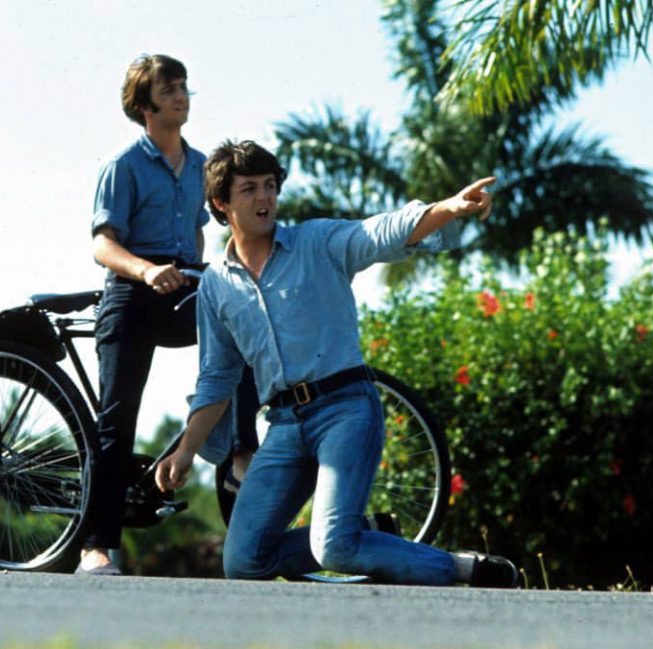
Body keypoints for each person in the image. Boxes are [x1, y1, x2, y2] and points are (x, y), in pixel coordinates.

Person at [156, 140, 518, 587]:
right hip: (284, 427)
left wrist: (448, 208)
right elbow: (217, 376)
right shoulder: (215, 286)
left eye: (270, 186)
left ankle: (466, 569)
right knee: (244, 561)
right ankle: (366, 534)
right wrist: (187, 450)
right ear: (220, 203)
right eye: (248, 189)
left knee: (334, 548)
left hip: (345, 410)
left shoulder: (316, 242)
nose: (264, 198)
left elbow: (381, 232)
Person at [78, 54, 212, 575]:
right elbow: (103, 246)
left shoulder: (200, 164)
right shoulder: (124, 166)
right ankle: (96, 545)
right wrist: (148, 270)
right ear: (144, 103)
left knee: (245, 341)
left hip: (185, 287)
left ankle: (224, 448)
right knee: (116, 424)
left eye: (184, 86)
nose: (182, 96)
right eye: (170, 88)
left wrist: (198, 269)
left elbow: (198, 231)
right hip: (133, 294)